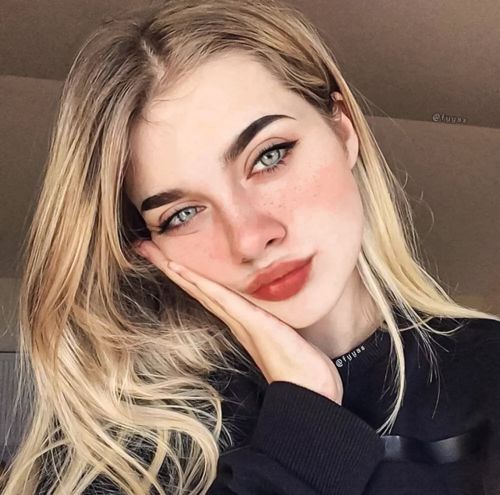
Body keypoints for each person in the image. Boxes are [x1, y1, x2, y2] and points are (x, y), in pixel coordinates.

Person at [1, 0, 499, 493]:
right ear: (149, 248)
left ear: (343, 130)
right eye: (182, 214)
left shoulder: (488, 371)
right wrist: (302, 433)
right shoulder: (123, 448)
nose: (250, 238)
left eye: (269, 156)